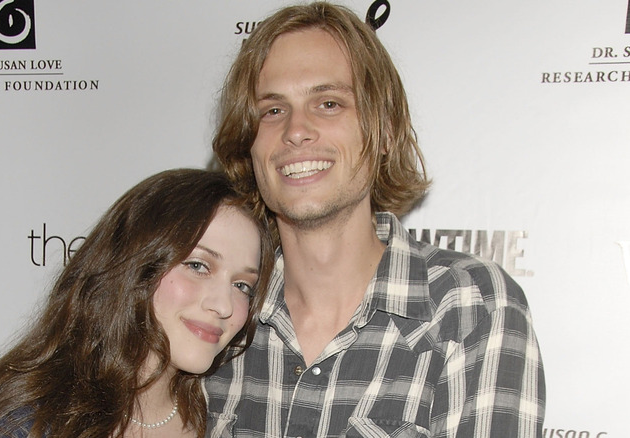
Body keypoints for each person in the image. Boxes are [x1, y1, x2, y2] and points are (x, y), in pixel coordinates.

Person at [205, 2, 545, 437]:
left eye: (328, 103)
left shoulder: (470, 308)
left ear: (383, 131)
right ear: (247, 144)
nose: (295, 130)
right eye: (272, 110)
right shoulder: (218, 315)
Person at [0, 169, 275, 438]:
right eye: (198, 266)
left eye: (242, 285)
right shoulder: (21, 423)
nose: (224, 305)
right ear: (135, 263)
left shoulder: (222, 417)